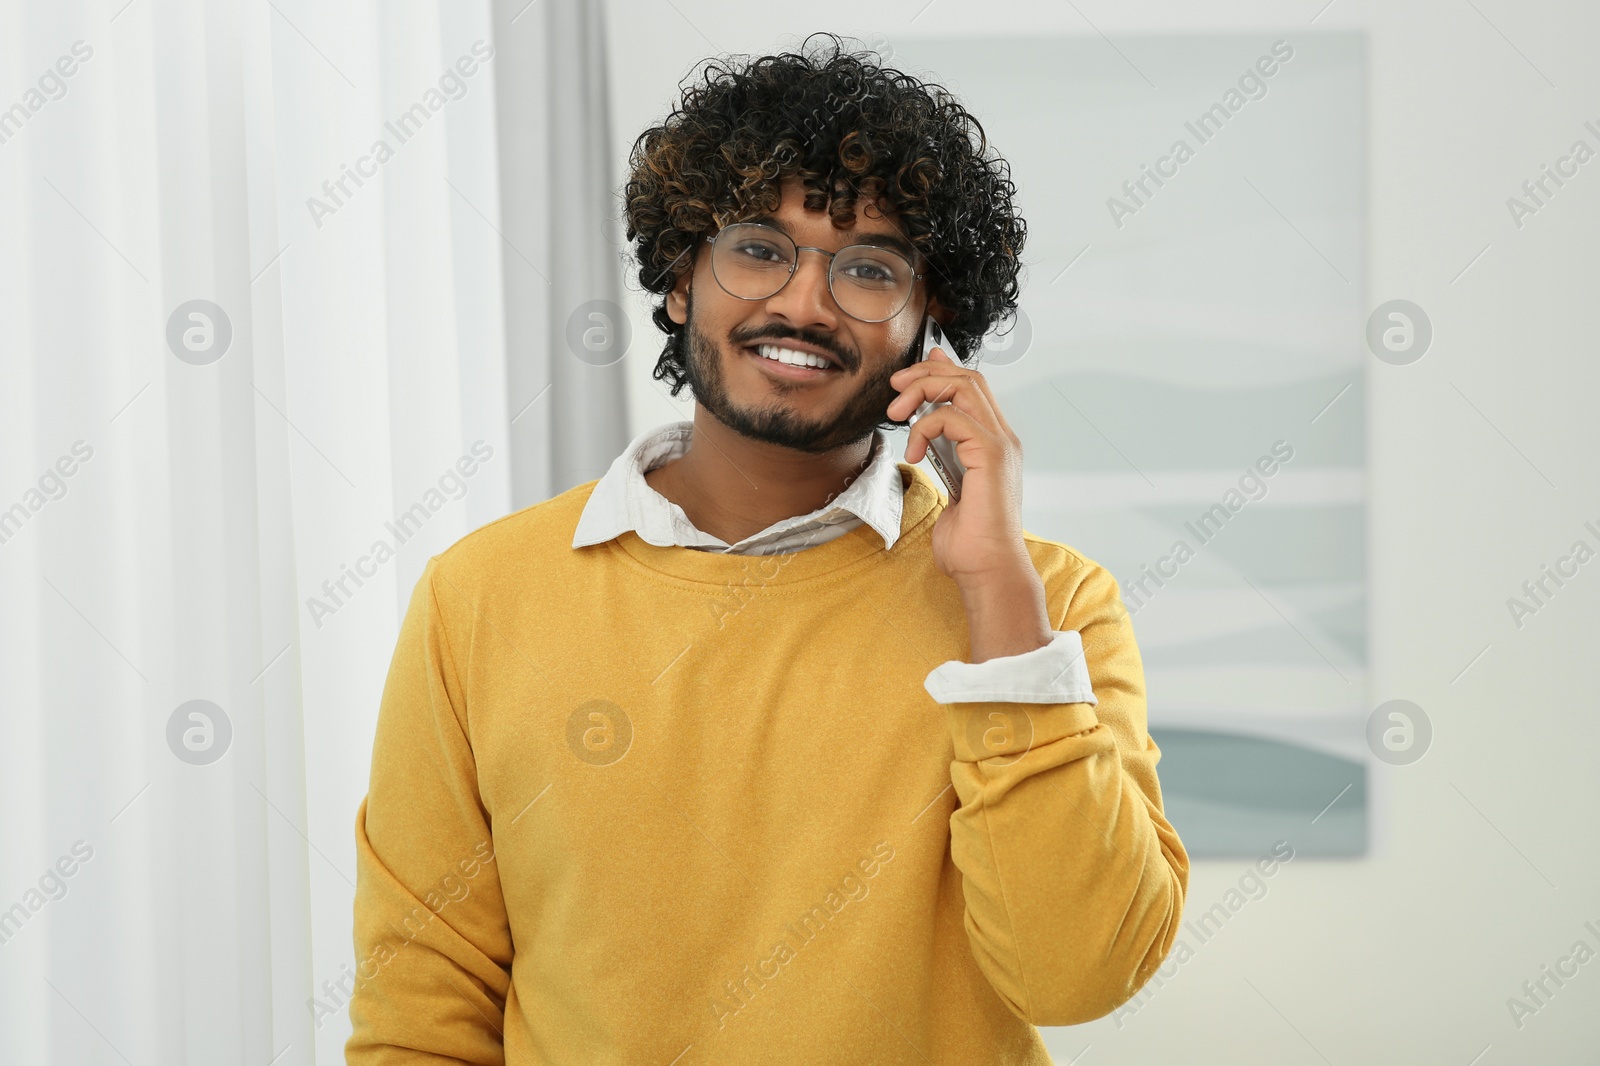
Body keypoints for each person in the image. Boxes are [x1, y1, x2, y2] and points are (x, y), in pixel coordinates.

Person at [347, 32, 1188, 1064]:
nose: (801, 302)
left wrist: (998, 602)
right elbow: (418, 1010)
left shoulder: (1050, 606)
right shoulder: (479, 596)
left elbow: (1078, 976)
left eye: (869, 269)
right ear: (676, 281)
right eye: (757, 248)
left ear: (930, 326)